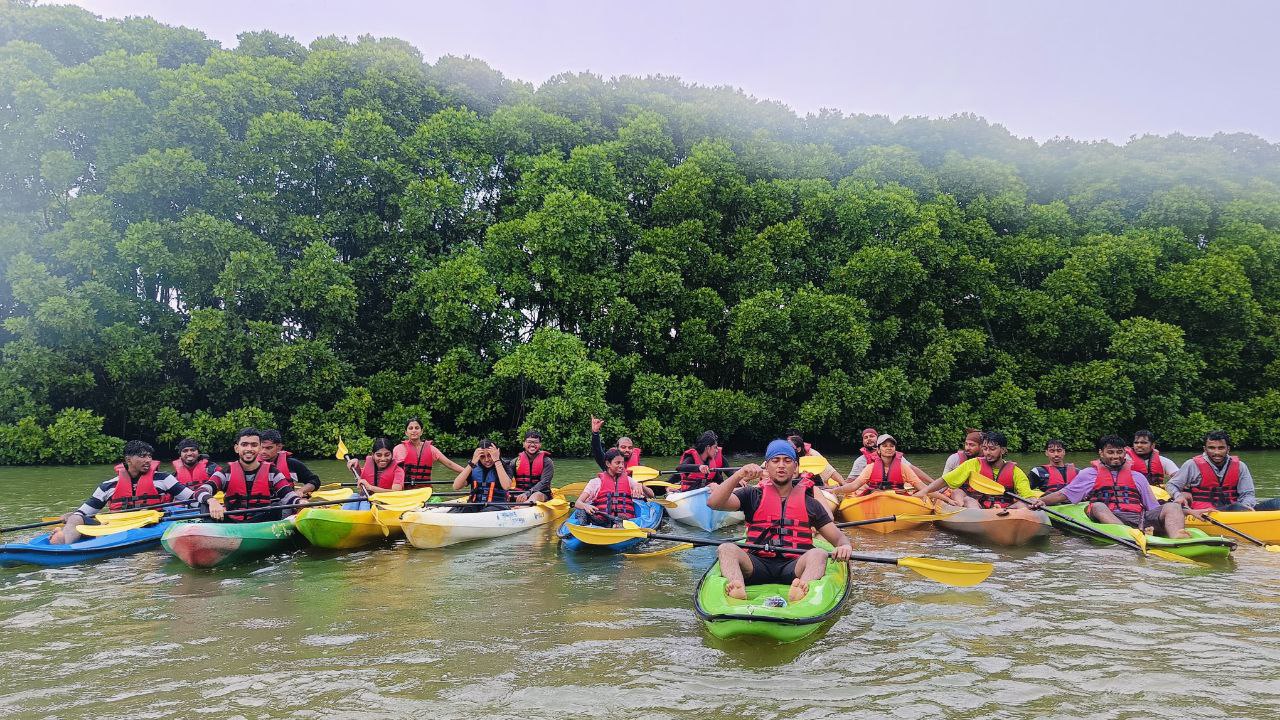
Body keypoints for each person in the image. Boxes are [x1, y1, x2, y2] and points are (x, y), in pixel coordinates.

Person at [707, 440, 854, 602]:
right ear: (767, 467)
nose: (781, 465)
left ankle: (802, 591)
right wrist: (738, 475)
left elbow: (838, 537)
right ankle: (737, 589)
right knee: (726, 548)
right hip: (756, 564)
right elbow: (714, 503)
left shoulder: (810, 503)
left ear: (796, 468)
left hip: (794, 566)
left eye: (787, 461)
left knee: (818, 554)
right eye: (775, 461)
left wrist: (845, 546)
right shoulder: (751, 495)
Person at [51, 440, 215, 544]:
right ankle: (64, 544)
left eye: (149, 456)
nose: (148, 460)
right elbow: (85, 511)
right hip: (115, 527)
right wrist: (71, 516)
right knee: (75, 518)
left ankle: (65, 540)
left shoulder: (163, 479)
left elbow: (191, 497)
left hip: (149, 525)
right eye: (142, 456)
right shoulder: (108, 486)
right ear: (129, 460)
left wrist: (209, 501)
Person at [1029, 435, 1190, 538]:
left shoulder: (1137, 476)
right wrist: (1042, 501)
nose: (1116, 456)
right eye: (1110, 452)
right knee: (1098, 506)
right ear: (1101, 453)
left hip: (1137, 518)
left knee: (1171, 507)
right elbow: (1063, 495)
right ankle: (1130, 535)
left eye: (1119, 452)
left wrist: (1180, 510)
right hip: (1108, 517)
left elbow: (1152, 506)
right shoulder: (1088, 474)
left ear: (1124, 453)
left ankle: (1177, 538)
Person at [1168, 430, 1280, 513]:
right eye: (1211, 448)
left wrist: (1246, 507)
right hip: (1205, 511)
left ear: (1228, 449)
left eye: (1221, 448)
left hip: (1238, 510)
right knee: (1236, 508)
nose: (1216, 452)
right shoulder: (1191, 465)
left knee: (1277, 503)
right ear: (1205, 449)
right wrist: (1178, 496)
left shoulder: (1240, 466)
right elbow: (1171, 485)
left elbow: (1248, 494)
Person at [917, 431, 1033, 509]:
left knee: (1023, 503)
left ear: (1003, 450)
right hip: (980, 508)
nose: (988, 452)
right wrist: (924, 491)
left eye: (992, 449)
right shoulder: (973, 464)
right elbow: (945, 480)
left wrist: (1032, 502)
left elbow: (1027, 495)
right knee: (968, 500)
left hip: (1006, 509)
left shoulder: (1015, 471)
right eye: (985, 449)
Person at [202, 428, 298, 522]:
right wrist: (212, 501)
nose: (249, 449)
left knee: (277, 505)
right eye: (244, 445)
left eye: (254, 445)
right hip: (232, 523)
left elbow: (288, 495)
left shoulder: (272, 472)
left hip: (262, 523)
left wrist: (300, 502)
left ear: (260, 448)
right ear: (237, 448)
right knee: (205, 504)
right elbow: (202, 490)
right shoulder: (226, 472)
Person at [833, 434, 929, 496]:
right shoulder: (870, 467)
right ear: (878, 450)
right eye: (885, 446)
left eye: (892, 446)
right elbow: (854, 485)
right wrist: (834, 491)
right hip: (876, 497)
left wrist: (941, 496)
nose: (889, 448)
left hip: (898, 499)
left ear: (895, 449)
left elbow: (924, 488)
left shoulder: (903, 467)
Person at [574, 448, 647, 526]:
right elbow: (578, 503)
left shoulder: (629, 480)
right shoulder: (595, 482)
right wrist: (586, 506)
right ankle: (584, 528)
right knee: (580, 511)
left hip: (626, 521)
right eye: (618, 463)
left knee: (621, 520)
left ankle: (618, 526)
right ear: (608, 464)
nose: (621, 466)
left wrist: (640, 485)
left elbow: (652, 495)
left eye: (622, 463)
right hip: (602, 521)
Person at [393, 417, 465, 489]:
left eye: (417, 428)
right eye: (410, 428)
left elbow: (450, 464)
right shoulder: (398, 449)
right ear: (406, 432)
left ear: (421, 431)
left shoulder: (431, 449)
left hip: (424, 491)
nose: (414, 430)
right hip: (404, 490)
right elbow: (391, 469)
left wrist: (469, 472)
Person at [451, 440, 514, 512]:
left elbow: (506, 486)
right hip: (475, 505)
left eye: (490, 455)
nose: (486, 460)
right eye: (482, 456)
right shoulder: (473, 467)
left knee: (487, 511)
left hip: (497, 506)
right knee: (459, 510)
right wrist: (472, 463)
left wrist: (496, 460)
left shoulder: (505, 466)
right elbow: (456, 486)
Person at [258, 429, 321, 498]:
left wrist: (300, 491)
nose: (263, 451)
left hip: (285, 504)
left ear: (279, 447)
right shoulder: (250, 464)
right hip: (259, 505)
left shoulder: (291, 463)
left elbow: (315, 481)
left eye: (268, 448)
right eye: (261, 447)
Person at [509, 429, 552, 503]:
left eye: (536, 442)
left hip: (540, 493)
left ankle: (521, 508)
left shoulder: (547, 462)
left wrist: (527, 493)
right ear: (523, 444)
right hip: (519, 493)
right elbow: (507, 479)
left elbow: (544, 482)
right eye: (529, 442)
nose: (532, 445)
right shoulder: (515, 462)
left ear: (540, 445)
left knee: (536, 495)